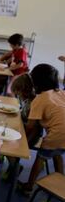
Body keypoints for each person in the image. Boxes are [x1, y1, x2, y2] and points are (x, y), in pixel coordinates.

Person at [18, 64, 65, 194]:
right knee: (57, 154)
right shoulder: (61, 92)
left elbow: (30, 126)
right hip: (63, 135)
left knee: (40, 158)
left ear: (36, 82)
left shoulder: (40, 99)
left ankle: (29, 186)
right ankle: (60, 182)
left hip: (57, 134)